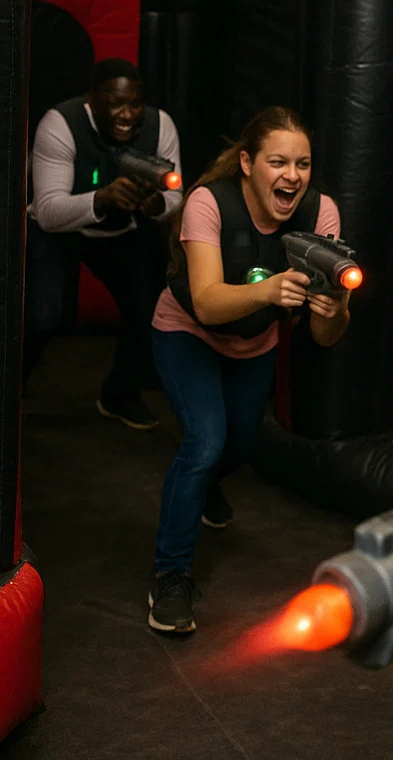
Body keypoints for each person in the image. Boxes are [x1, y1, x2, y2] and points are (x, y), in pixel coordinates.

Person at [147, 106, 350, 635]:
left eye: (302, 164)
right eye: (278, 162)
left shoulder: (321, 212)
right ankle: (170, 576)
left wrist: (336, 312)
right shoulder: (207, 203)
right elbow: (210, 303)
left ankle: (207, 483)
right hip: (187, 331)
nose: (292, 176)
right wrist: (268, 289)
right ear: (247, 163)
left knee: (236, 446)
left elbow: (326, 337)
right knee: (204, 440)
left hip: (254, 343)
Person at [25, 57, 182, 430]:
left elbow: (176, 198)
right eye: (115, 103)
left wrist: (156, 204)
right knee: (43, 315)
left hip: (119, 232)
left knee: (151, 309)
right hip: (59, 231)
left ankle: (120, 395)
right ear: (92, 99)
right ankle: (5, 393)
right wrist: (103, 198)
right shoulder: (61, 124)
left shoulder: (161, 126)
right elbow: (47, 210)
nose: (127, 114)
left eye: (134, 103)